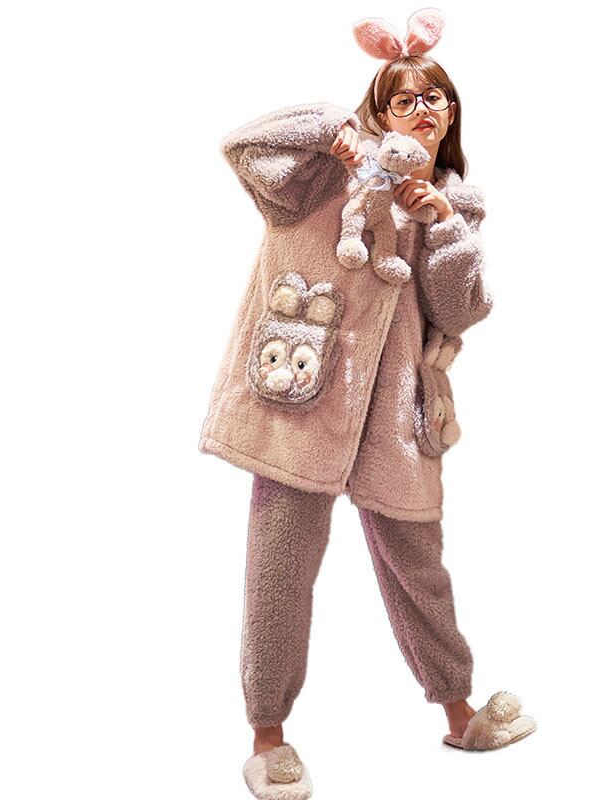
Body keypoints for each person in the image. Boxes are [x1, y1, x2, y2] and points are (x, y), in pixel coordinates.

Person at [199, 9, 536, 798]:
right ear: (378, 110)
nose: (422, 110)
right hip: (302, 394)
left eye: (435, 97)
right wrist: (333, 132)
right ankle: (268, 736)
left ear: (450, 112)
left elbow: (462, 311)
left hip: (396, 414)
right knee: (280, 568)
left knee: (419, 564)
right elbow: (245, 146)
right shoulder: (319, 178)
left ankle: (459, 712)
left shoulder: (455, 202)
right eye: (404, 98)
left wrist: (442, 225)